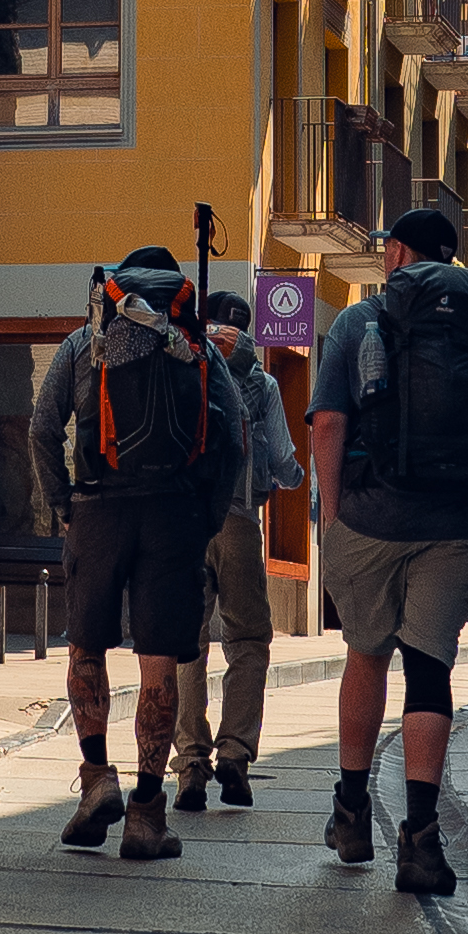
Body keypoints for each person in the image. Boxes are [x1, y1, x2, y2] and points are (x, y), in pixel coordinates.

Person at [307, 203, 468, 898]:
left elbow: (330, 422)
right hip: (459, 522)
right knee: (430, 673)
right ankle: (422, 841)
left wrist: (335, 519)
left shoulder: (356, 321)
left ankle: (352, 811)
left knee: (366, 653)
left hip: (371, 516)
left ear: (397, 253)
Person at [31, 244, 246, 863]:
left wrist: (64, 504)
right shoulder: (198, 346)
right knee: (159, 664)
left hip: (97, 509)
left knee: (86, 647)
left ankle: (98, 780)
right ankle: (147, 815)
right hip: (173, 514)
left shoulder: (85, 341)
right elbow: (230, 438)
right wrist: (203, 518)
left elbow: (42, 428)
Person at [173, 292, 303, 810]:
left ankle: (189, 765)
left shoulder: (186, 364)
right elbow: (285, 460)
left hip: (184, 522)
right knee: (248, 639)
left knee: (187, 641)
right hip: (241, 521)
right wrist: (290, 480)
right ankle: (234, 753)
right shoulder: (262, 382)